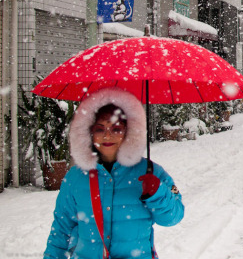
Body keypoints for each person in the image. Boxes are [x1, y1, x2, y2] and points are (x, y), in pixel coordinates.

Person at [44, 88, 184, 259]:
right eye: (100, 129)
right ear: (90, 132)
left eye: (116, 129)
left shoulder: (151, 172)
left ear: (128, 131)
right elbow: (61, 230)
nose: (107, 136)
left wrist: (158, 193)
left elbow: (173, 217)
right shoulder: (75, 177)